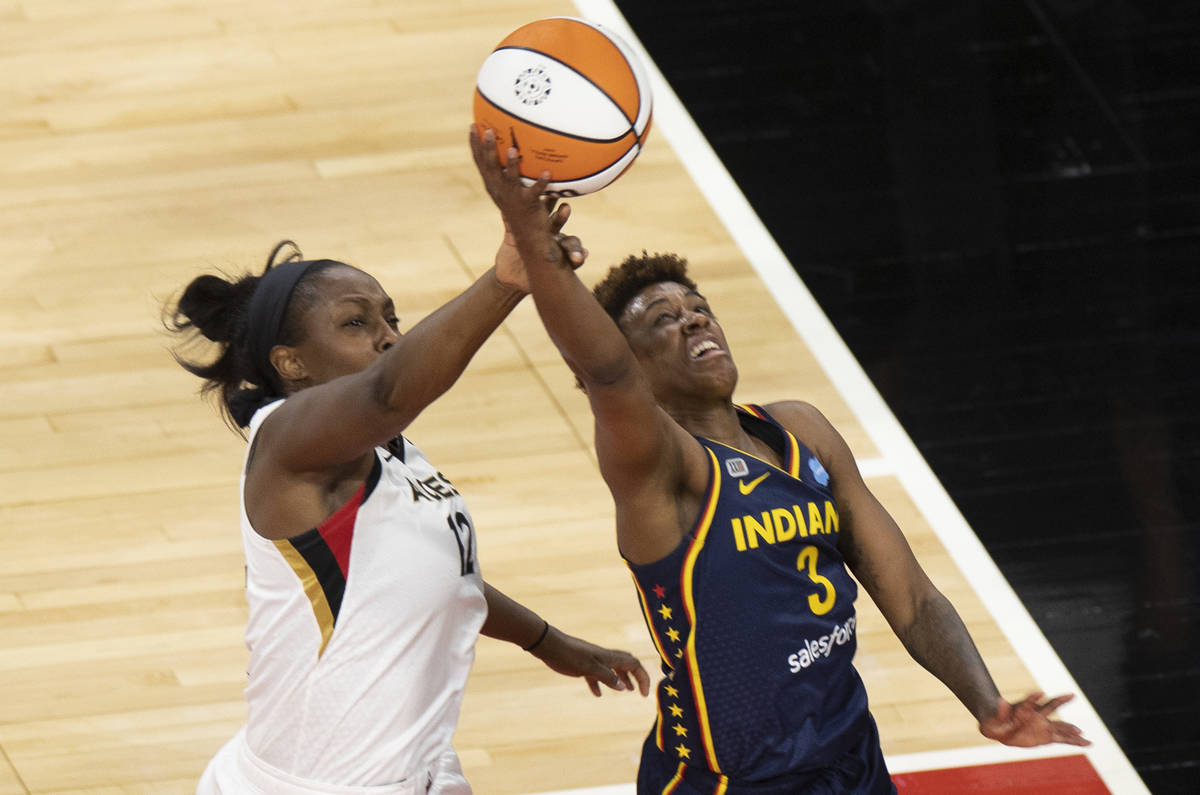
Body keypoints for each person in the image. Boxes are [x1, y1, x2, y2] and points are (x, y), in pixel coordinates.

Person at [470, 127, 1091, 795]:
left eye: (699, 308)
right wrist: (533, 244)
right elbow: (605, 371)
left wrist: (986, 703)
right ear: (638, 370)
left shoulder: (803, 431)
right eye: (662, 320)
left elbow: (908, 593)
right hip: (731, 782)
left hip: (851, 761)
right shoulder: (662, 471)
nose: (694, 321)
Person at [168, 218, 649, 794]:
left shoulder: (386, 450)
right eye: (356, 323)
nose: (391, 336)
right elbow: (389, 392)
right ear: (291, 363)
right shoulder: (288, 443)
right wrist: (505, 280)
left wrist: (547, 641)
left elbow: (430, 573)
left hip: (416, 771)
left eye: (391, 318)